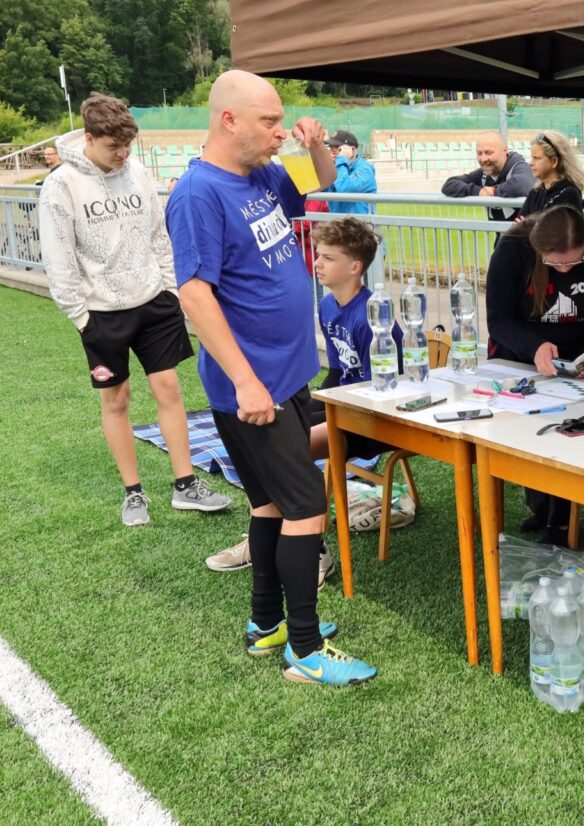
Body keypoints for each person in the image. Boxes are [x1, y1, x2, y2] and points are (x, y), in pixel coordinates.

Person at [165, 69, 376, 687]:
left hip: (285, 375)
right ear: (229, 120)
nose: (279, 132)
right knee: (307, 506)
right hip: (255, 386)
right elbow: (195, 295)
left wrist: (315, 145)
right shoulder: (198, 193)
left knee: (269, 504)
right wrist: (246, 382)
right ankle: (306, 650)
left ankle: (266, 625)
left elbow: (325, 183)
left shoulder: (259, 174)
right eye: (269, 121)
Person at [38, 93, 230, 527]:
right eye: (113, 147)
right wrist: (82, 318)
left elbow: (159, 234)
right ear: (89, 139)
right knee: (117, 400)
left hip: (154, 302)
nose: (123, 154)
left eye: (127, 145)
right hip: (101, 313)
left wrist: (170, 290)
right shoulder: (61, 185)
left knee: (170, 389)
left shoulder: (137, 170)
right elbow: (58, 259)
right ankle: (134, 492)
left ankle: (185, 485)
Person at [206, 217, 404, 574]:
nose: (317, 263)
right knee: (263, 432)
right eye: (318, 254)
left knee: (285, 450)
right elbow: (336, 374)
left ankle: (313, 550)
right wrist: (308, 405)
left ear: (355, 267)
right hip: (344, 404)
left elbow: (383, 390)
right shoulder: (327, 306)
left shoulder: (372, 315)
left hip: (376, 418)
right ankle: (265, 535)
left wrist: (322, 412)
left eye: (328, 257)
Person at [486, 206, 584, 545]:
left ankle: (561, 521)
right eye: (555, 264)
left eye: (574, 263)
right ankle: (542, 506)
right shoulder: (512, 250)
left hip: (582, 364)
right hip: (523, 362)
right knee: (527, 436)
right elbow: (499, 319)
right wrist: (534, 347)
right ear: (538, 248)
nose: (564, 270)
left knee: (570, 435)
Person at [441, 131, 533, 221]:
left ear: (504, 151)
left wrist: (494, 191)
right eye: (479, 153)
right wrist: (479, 191)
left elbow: (522, 184)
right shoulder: (483, 174)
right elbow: (450, 184)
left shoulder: (519, 167)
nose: (483, 159)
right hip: (498, 231)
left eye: (489, 153)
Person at [518, 130, 584, 218]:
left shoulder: (568, 194)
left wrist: (528, 225)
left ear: (554, 161)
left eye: (536, 158)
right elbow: (518, 225)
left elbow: (560, 226)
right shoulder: (535, 193)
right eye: (531, 157)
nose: (531, 163)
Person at [324, 129, 376, 215]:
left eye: (336, 147)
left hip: (359, 223)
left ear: (352, 149)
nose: (332, 150)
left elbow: (344, 188)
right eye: (330, 147)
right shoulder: (337, 168)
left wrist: (342, 158)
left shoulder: (365, 171)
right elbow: (318, 187)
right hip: (339, 222)